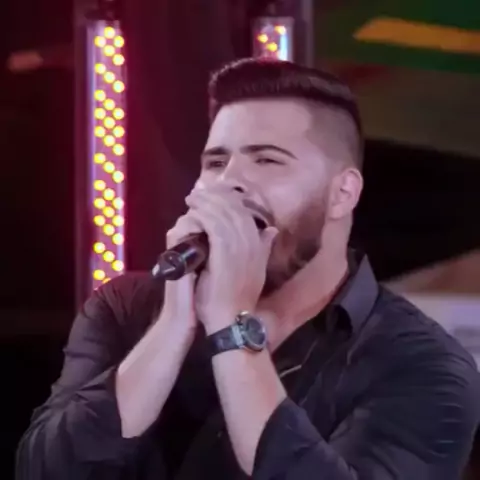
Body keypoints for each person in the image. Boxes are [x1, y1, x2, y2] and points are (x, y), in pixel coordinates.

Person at [17, 58, 479, 480]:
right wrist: (172, 326)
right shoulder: (125, 310)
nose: (229, 181)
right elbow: (47, 470)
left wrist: (231, 326)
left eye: (267, 159)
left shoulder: (423, 366)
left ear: (343, 193)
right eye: (216, 162)